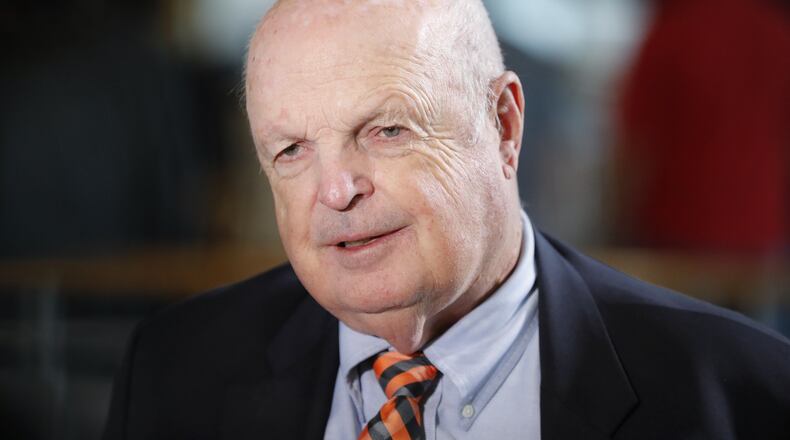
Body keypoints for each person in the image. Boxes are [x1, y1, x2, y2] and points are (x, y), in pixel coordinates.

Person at [103, 1, 790, 439]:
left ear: (504, 126)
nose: (336, 190)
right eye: (291, 151)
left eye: (387, 131)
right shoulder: (173, 370)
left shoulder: (741, 391)